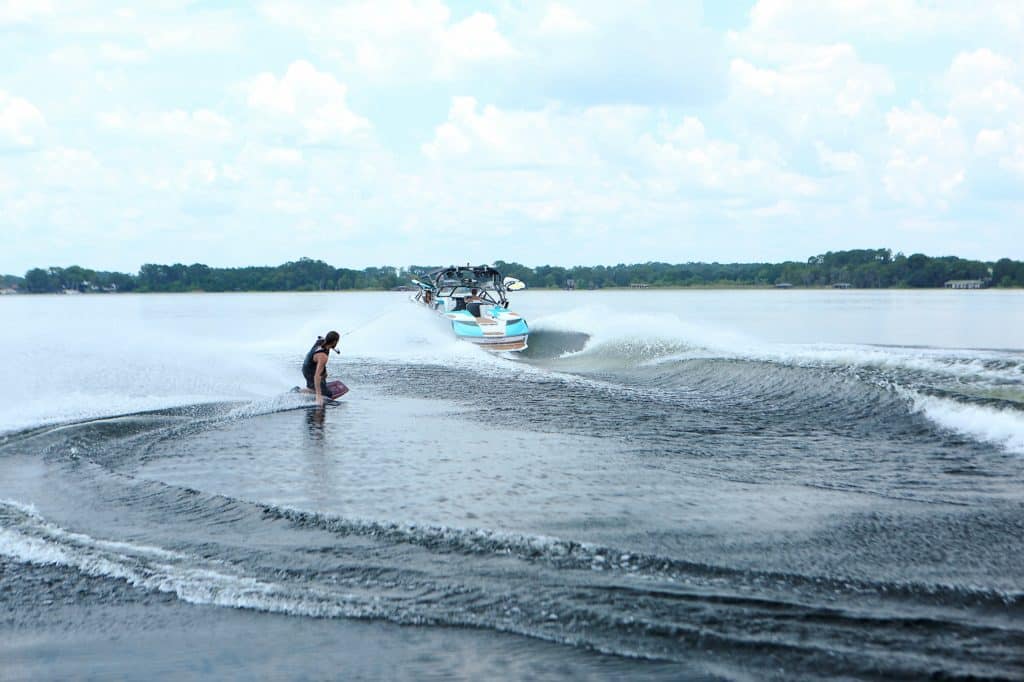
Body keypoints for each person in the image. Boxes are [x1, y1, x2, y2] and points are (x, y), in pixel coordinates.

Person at [302, 331, 339, 406]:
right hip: (309, 371)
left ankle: (314, 388)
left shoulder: (321, 341)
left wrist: (324, 372)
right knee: (327, 394)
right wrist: (319, 396)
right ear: (335, 342)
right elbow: (317, 376)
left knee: (324, 375)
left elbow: (321, 338)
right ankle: (297, 391)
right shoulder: (323, 356)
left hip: (309, 365)